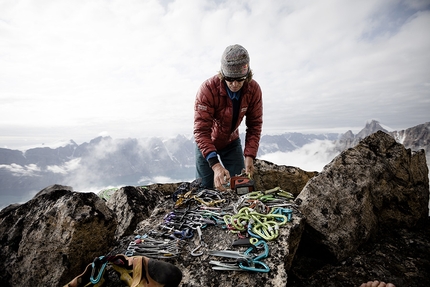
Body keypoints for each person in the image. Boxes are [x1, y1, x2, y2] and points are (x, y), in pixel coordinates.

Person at [194, 44, 263, 191]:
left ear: (247, 75)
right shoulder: (207, 90)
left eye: (240, 79)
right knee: (203, 190)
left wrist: (250, 156)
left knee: (241, 186)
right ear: (222, 74)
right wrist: (215, 165)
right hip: (207, 144)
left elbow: (255, 125)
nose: (234, 84)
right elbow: (201, 131)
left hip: (231, 142)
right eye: (229, 79)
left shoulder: (253, 90)